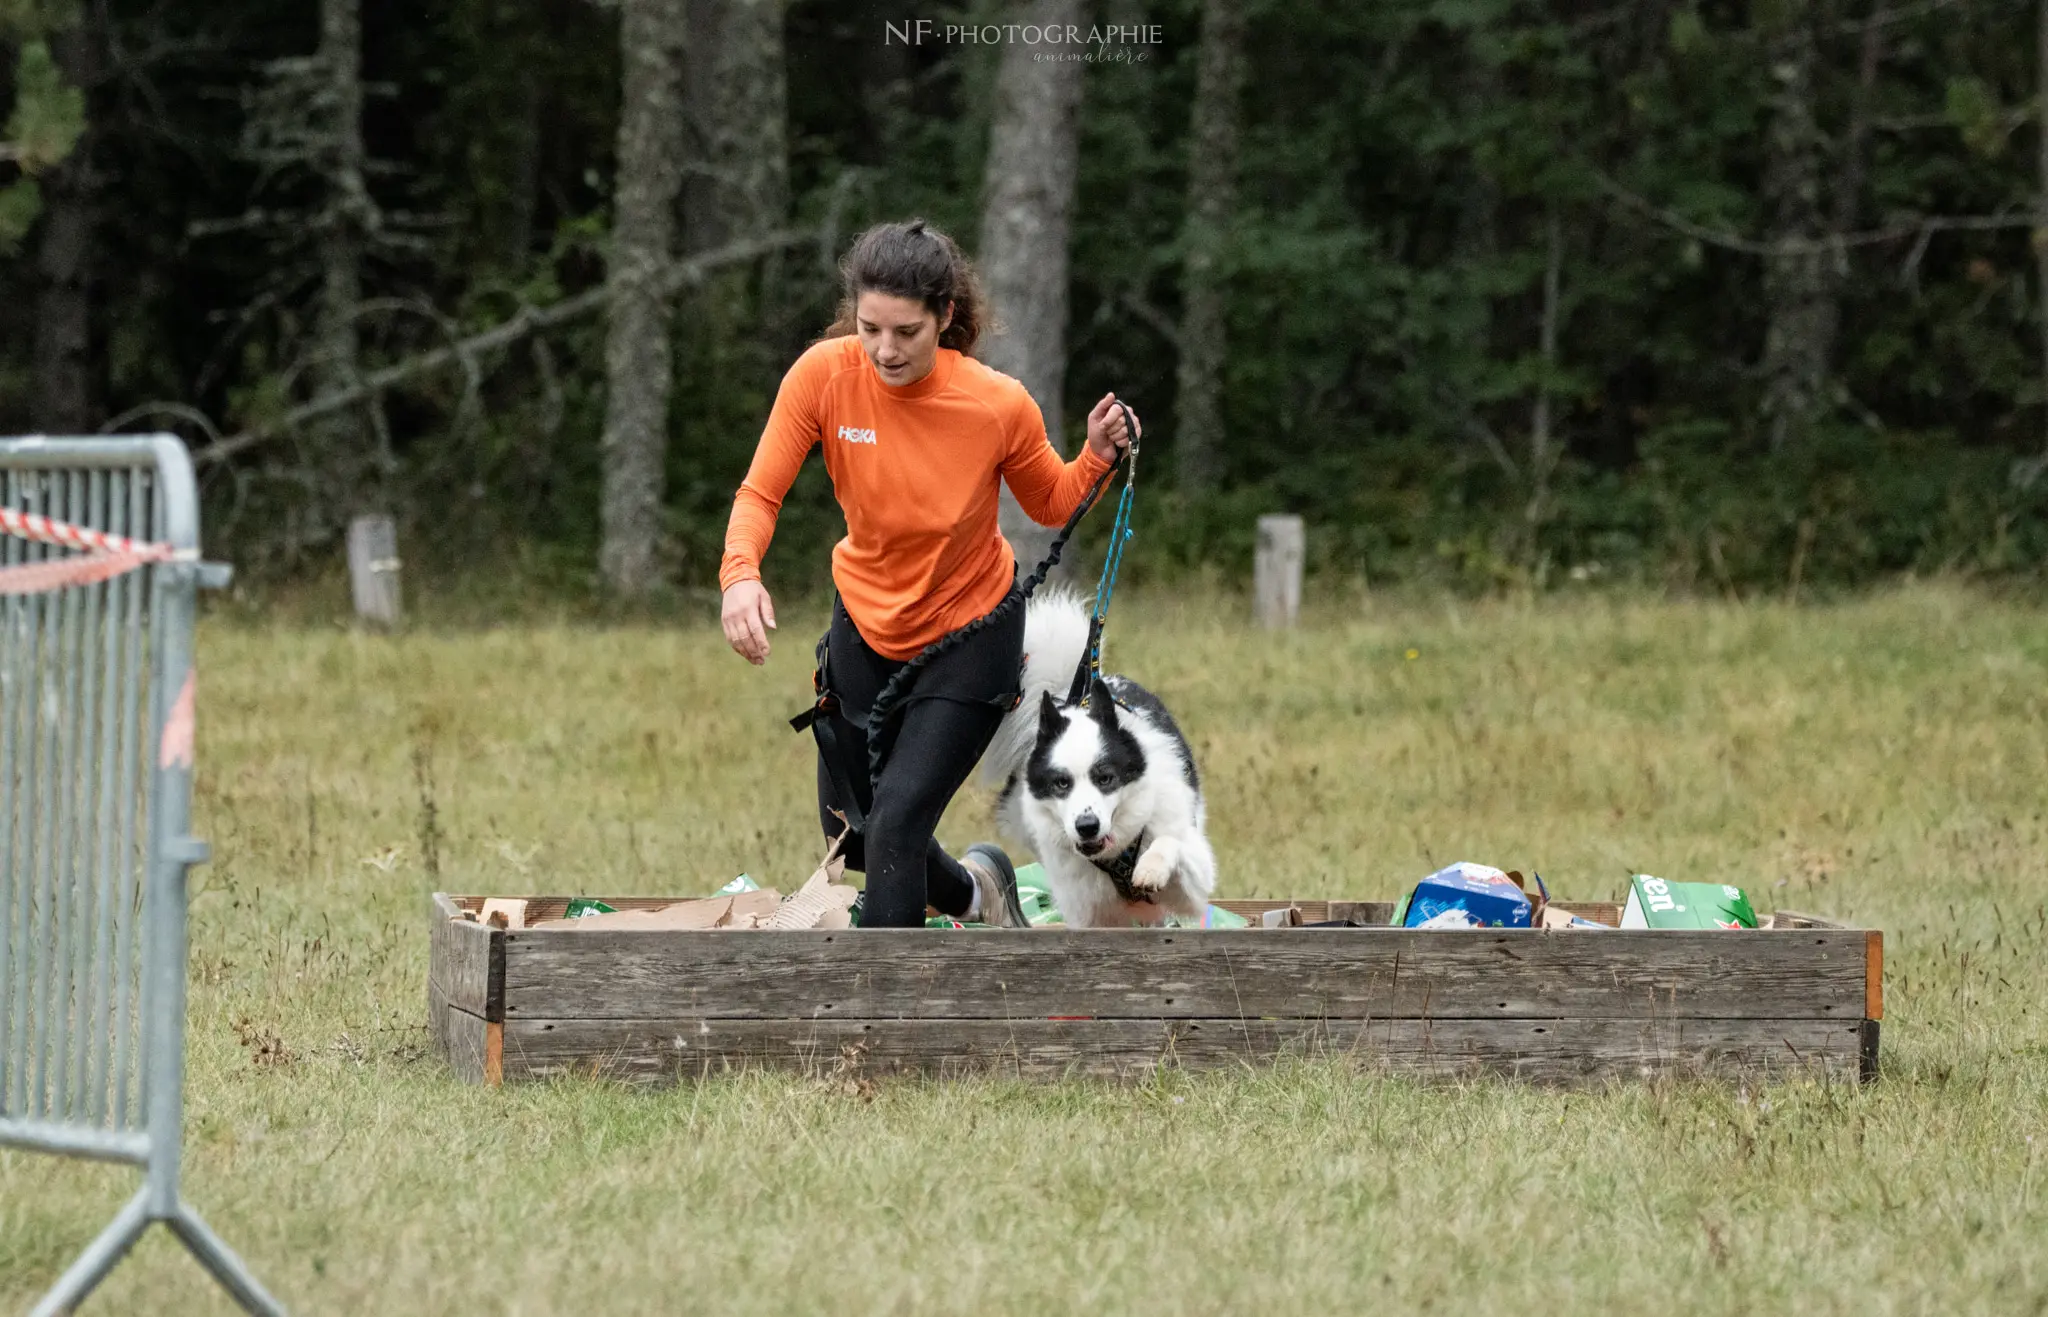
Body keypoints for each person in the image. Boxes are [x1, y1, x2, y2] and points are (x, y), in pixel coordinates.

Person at [719, 218, 1138, 929]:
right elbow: (760, 493)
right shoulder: (822, 375)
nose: (884, 349)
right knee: (856, 834)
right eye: (870, 327)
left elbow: (1051, 499)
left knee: (897, 826)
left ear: (945, 317)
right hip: (864, 624)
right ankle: (980, 892)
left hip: (971, 636)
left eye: (906, 331)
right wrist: (740, 576)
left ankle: (880, 1028)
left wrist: (1096, 454)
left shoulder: (995, 403)